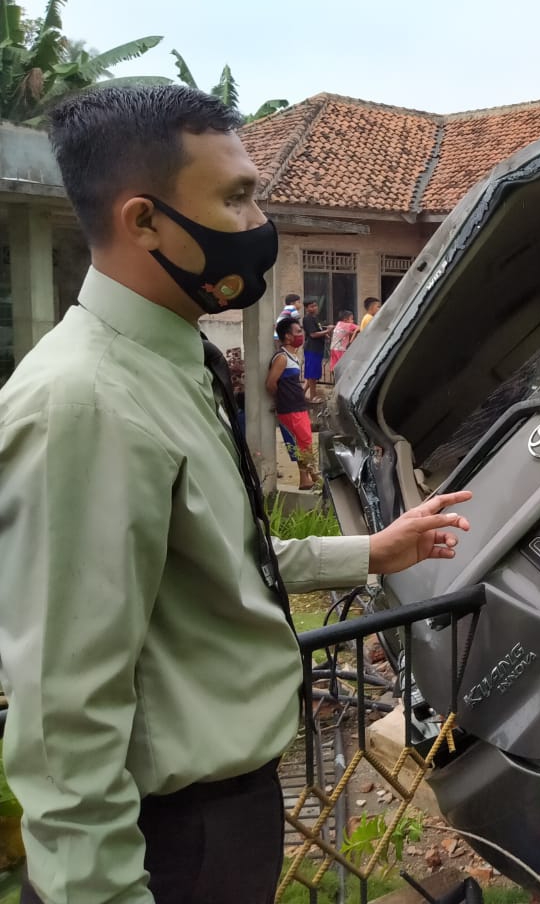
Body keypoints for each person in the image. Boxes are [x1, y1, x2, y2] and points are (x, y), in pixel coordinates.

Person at [0, 85, 474, 904]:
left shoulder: (171, 362)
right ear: (142, 220)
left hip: (230, 818)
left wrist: (371, 550)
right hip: (166, 844)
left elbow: (227, 560)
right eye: (236, 197)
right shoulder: (84, 403)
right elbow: (64, 717)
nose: (259, 222)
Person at [267, 316, 318, 490]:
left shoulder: (292, 357)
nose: (301, 335)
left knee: (305, 441)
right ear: (287, 336)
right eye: (297, 332)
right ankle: (305, 478)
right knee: (300, 442)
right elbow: (271, 383)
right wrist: (281, 399)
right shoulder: (282, 358)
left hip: (297, 406)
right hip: (290, 408)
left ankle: (311, 474)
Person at [300, 298, 330, 402]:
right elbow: (313, 334)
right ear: (307, 308)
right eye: (312, 306)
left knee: (314, 373)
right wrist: (327, 331)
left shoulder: (315, 318)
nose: (315, 308)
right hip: (312, 349)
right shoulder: (307, 318)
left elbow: (318, 330)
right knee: (312, 374)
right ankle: (313, 396)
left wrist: (325, 334)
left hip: (318, 348)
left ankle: (301, 394)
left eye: (315, 305)